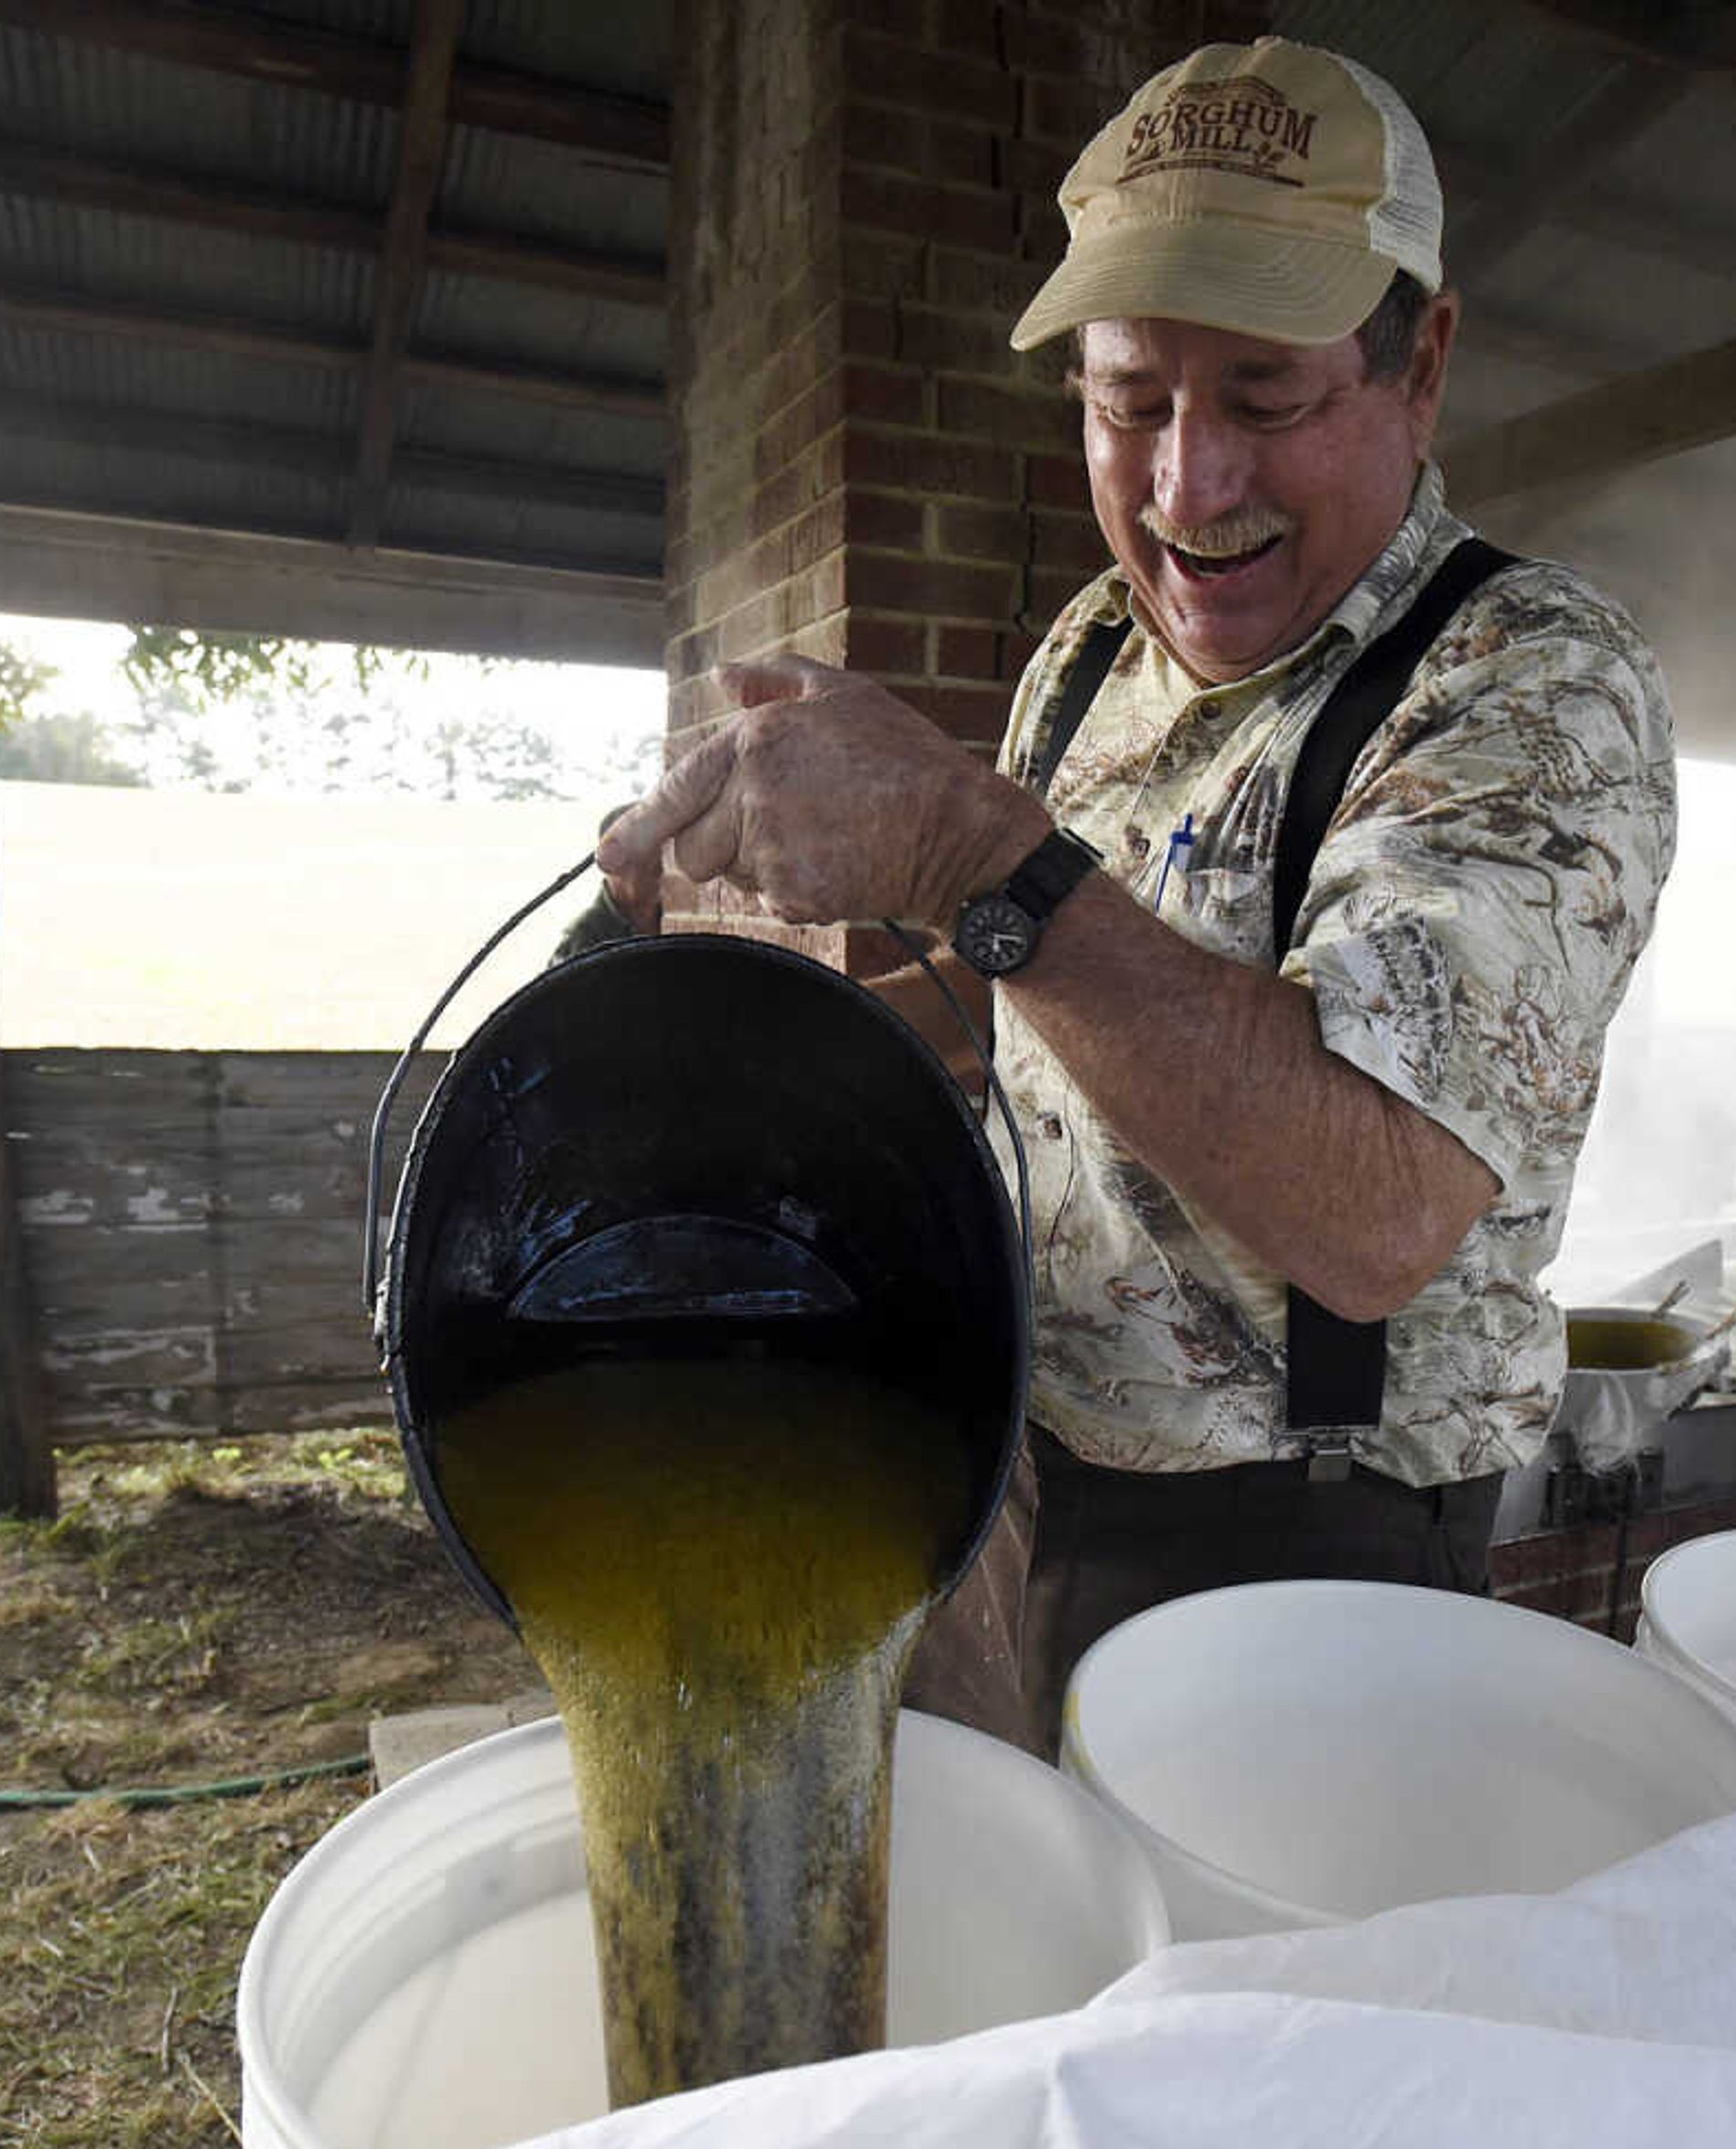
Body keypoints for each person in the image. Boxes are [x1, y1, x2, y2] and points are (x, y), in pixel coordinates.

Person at [598, 39, 1678, 1750]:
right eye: (1130, 403)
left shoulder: (1529, 686)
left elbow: (1378, 1208)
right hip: (1018, 1470)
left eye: (1263, 399)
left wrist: (970, 850)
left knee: (1235, 2017)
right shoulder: (1094, 651)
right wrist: (762, 1049)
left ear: (1424, 367)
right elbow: (1029, 1014)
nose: (1189, 490)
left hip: (1305, 1569)